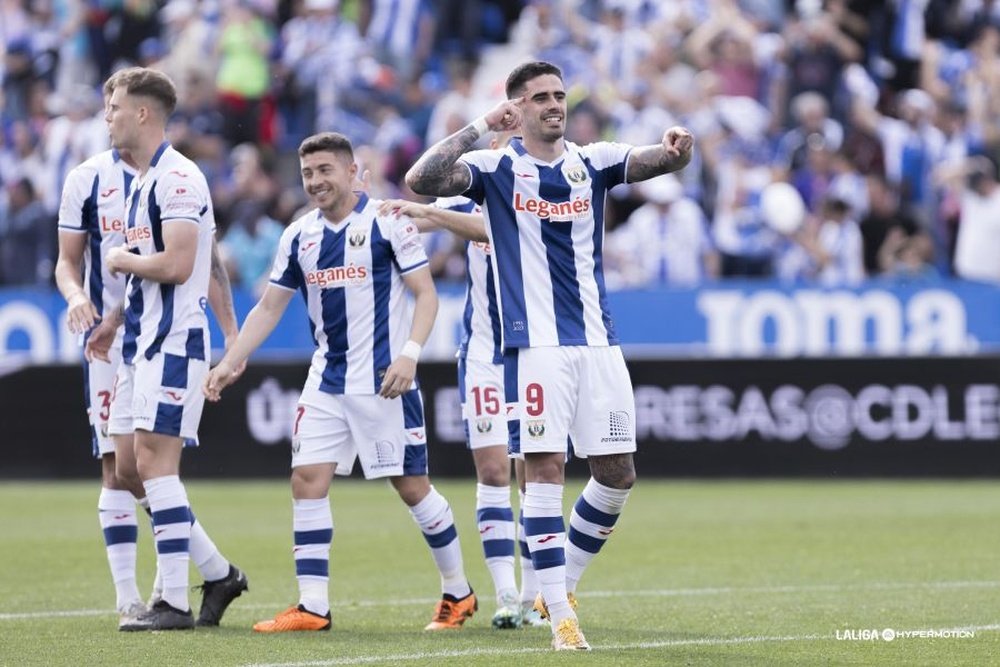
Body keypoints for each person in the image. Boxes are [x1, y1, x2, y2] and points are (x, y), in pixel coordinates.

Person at [405, 61, 694, 650]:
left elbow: (654, 161)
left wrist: (676, 151)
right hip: (534, 350)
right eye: (539, 98)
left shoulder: (592, 161)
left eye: (559, 95)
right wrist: (479, 126)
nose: (554, 105)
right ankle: (562, 617)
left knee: (617, 475)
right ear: (515, 109)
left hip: (598, 344)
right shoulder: (494, 167)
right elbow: (421, 178)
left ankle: (554, 587)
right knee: (544, 472)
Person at [202, 131, 477, 633]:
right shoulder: (298, 235)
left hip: (383, 381)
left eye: (326, 170)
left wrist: (409, 356)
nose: (315, 181)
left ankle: (458, 592)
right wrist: (230, 360)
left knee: (412, 488)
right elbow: (269, 306)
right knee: (306, 480)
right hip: (326, 380)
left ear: (352, 172)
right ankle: (313, 607)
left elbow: (426, 295)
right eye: (308, 173)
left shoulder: (389, 223)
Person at [54, 71, 249, 631]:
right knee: (130, 467)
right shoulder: (134, 182)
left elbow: (184, 264)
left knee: (154, 467)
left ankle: (172, 601)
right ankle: (215, 573)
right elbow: (140, 274)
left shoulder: (179, 178)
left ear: (142, 113)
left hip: (172, 343)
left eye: (114, 107)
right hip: (136, 343)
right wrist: (112, 317)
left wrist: (122, 262)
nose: (106, 116)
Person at [378, 132, 548, 629]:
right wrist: (411, 212)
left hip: (536, 349)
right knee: (494, 471)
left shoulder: (549, 182)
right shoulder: (476, 178)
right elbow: (423, 199)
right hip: (482, 351)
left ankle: (539, 597)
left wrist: (432, 214)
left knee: (534, 473)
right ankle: (507, 595)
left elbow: (503, 228)